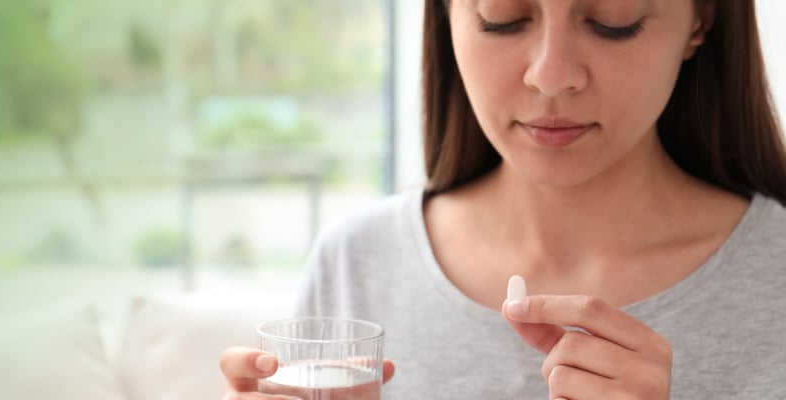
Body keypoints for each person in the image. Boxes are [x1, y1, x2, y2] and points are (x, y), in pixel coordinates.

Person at [220, 0, 786, 398]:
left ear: (700, 20)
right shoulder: (357, 262)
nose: (551, 76)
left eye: (614, 22)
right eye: (503, 19)